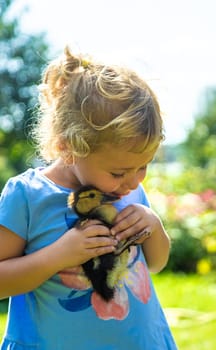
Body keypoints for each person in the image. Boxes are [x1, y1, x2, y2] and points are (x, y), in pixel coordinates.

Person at [0, 46, 177, 349]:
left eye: (143, 167)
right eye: (119, 172)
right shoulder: (27, 196)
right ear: (68, 147)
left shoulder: (130, 192)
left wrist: (153, 226)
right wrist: (59, 255)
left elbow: (156, 263)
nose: (134, 181)